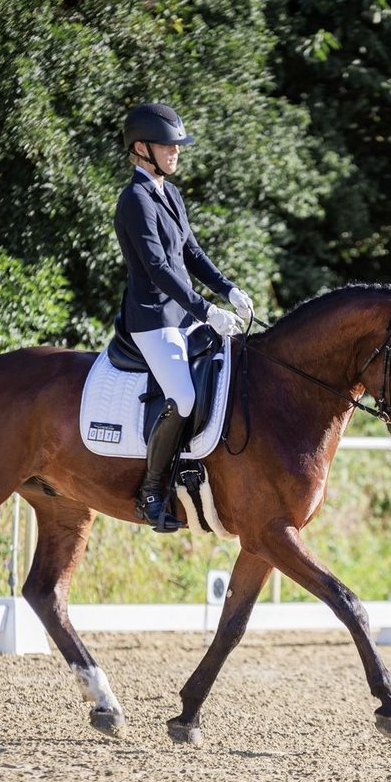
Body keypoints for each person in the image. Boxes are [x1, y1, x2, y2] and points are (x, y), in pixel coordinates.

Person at [114, 102, 253, 533]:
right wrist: (207, 310)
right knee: (185, 397)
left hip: (182, 315)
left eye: (177, 145)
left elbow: (191, 254)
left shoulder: (168, 193)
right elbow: (158, 269)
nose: (176, 152)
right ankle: (152, 491)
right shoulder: (135, 199)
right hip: (153, 320)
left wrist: (227, 288)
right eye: (167, 145)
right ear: (141, 148)